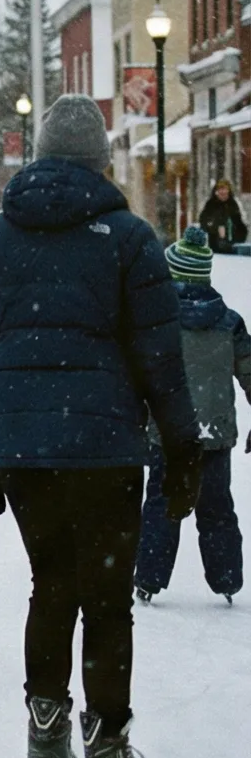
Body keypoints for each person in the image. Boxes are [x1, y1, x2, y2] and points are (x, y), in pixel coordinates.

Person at [0, 92, 200, 758]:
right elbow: (161, 356)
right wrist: (182, 447)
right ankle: (109, 745)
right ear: (99, 161)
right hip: (104, 446)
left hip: (24, 447)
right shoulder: (127, 239)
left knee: (51, 584)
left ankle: (46, 732)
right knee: (108, 598)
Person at [134, 227, 248, 605]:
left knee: (162, 506)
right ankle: (227, 579)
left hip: (166, 431)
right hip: (213, 433)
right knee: (216, 507)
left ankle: (148, 578)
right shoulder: (229, 323)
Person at [195, 180, 247, 251]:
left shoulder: (233, 205)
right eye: (220, 190)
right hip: (214, 247)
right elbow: (203, 222)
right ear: (216, 192)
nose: (222, 192)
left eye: (225, 190)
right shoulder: (210, 204)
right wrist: (215, 227)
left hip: (232, 247)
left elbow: (241, 226)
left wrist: (235, 239)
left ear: (229, 191)